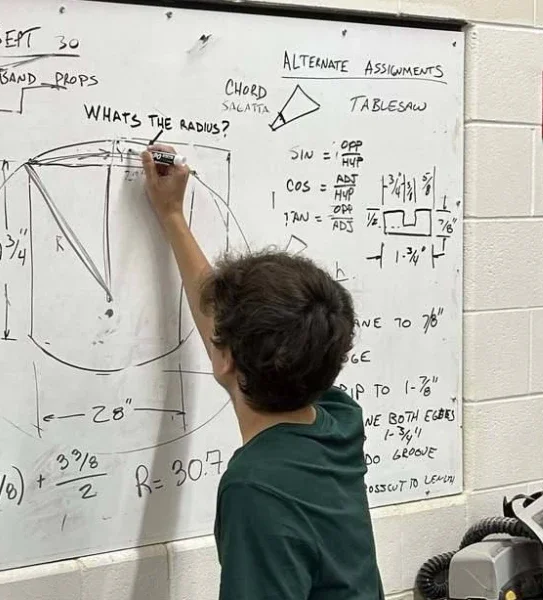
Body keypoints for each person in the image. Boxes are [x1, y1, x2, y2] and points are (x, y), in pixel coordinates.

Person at [140, 144, 384, 600]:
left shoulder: (256, 487)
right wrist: (172, 216)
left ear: (227, 356)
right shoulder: (338, 422)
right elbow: (230, 326)